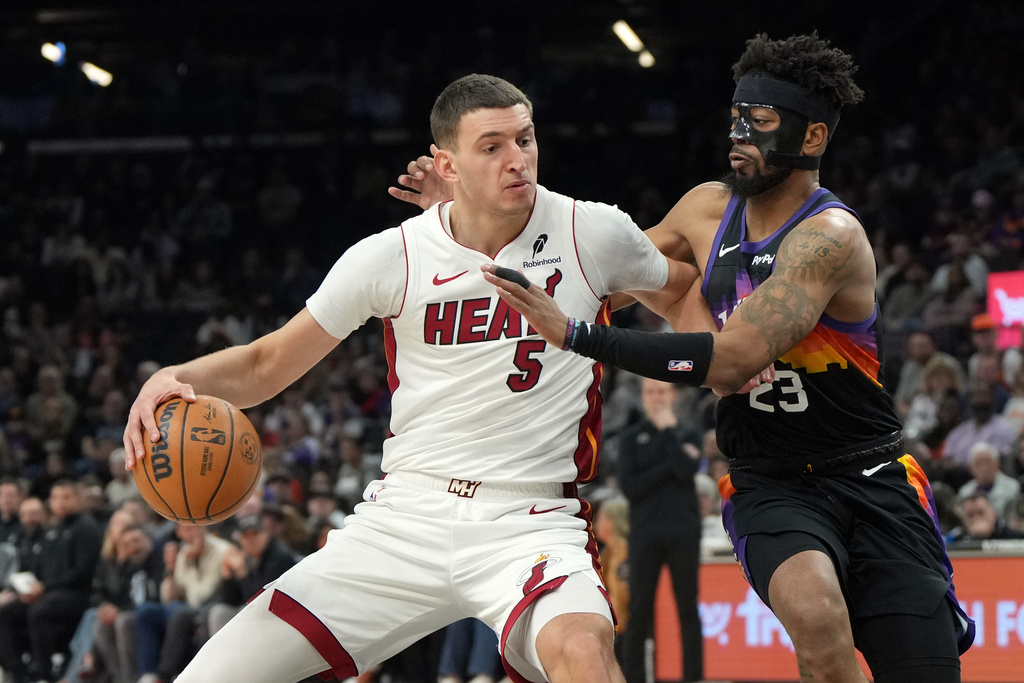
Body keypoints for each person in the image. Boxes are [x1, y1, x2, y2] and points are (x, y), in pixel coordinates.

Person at [123, 73, 695, 683]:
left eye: (525, 140)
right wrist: (172, 375)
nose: (517, 160)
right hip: (403, 516)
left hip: (530, 519)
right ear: (446, 164)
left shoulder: (593, 232)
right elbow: (266, 365)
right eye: (492, 146)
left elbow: (680, 289)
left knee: (584, 652)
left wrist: (730, 364)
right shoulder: (392, 254)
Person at [482, 32, 975, 683]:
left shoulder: (830, 235)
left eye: (761, 123)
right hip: (771, 481)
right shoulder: (705, 209)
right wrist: (470, 219)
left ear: (812, 139)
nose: (739, 134)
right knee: (819, 622)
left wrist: (578, 335)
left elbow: (735, 359)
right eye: (737, 118)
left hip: (870, 473)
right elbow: (604, 273)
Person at [612, 379, 702, 683]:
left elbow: (688, 471)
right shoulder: (630, 437)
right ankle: (633, 677)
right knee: (639, 610)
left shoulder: (688, 432)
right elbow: (630, 487)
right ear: (642, 397)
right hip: (644, 533)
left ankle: (693, 678)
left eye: (662, 391)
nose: (656, 398)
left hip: (684, 531)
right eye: (650, 392)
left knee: (688, 609)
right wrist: (669, 465)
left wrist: (668, 433)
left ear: (674, 394)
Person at [0, 480, 103, 683]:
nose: (60, 503)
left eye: (66, 497)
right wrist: (26, 588)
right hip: (46, 593)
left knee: (39, 611)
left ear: (78, 500)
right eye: (55, 498)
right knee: (6, 612)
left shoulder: (86, 527)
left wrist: (43, 587)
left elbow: (82, 571)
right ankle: (16, 673)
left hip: (76, 595)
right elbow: (37, 569)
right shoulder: (51, 529)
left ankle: (44, 675)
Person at [957, 442, 1021, 520]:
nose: (984, 467)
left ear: (997, 464)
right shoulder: (965, 492)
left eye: (987, 461)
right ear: (971, 467)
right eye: (978, 463)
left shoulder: (1012, 487)